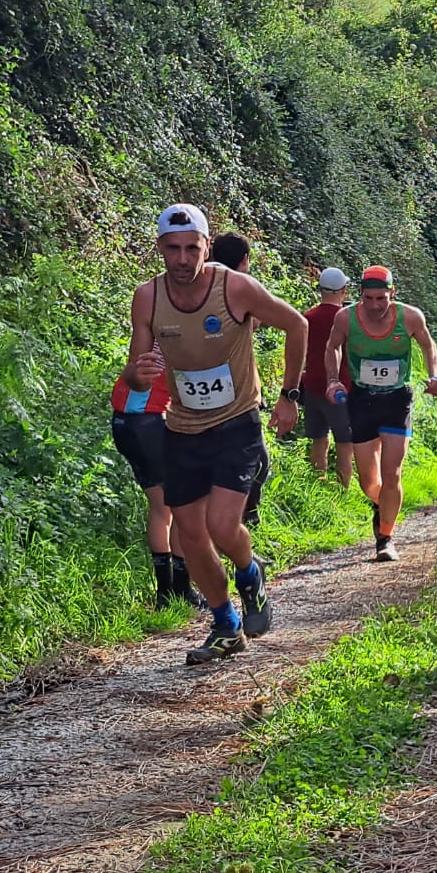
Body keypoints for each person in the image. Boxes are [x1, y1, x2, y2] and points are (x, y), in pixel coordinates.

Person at [121, 204, 309, 666]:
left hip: (237, 422)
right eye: (172, 249)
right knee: (189, 532)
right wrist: (139, 374)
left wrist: (289, 395)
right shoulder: (148, 297)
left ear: (207, 246)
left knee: (221, 526)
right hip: (182, 427)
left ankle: (250, 574)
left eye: (192, 248)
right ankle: (226, 625)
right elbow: (137, 373)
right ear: (159, 249)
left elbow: (297, 324)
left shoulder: (235, 287)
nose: (182, 258)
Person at [323, 266, 437, 562]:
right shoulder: (345, 317)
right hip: (362, 399)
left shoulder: (410, 317)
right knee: (368, 481)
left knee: (392, 473)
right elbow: (332, 347)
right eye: (368, 298)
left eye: (382, 298)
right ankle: (384, 506)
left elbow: (429, 347)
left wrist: (435, 376)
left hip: (397, 400)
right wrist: (333, 379)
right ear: (359, 295)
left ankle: (385, 538)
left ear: (393, 293)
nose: (375, 305)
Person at [110, 369, 201, 610]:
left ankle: (165, 594)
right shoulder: (176, 336)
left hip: (124, 423)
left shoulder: (148, 339)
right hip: (150, 421)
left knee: (162, 507)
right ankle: (181, 591)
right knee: (182, 504)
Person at [207, 231, 270, 526]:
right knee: (257, 461)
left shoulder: (195, 286)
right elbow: (257, 322)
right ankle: (244, 520)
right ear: (245, 260)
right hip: (238, 393)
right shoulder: (243, 289)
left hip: (194, 394)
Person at [300, 267, 354, 487]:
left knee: (318, 440)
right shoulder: (347, 319)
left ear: (320, 289)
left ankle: (317, 486)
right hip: (342, 389)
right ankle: (343, 490)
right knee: (345, 442)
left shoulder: (307, 318)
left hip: (312, 387)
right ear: (343, 290)